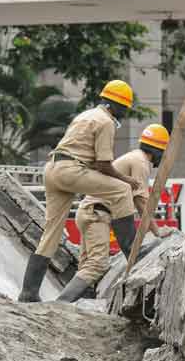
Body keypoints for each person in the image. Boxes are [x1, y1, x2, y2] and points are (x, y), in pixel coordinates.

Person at [18, 81, 138, 303]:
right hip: (70, 171)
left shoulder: (86, 115)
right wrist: (127, 180)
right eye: (125, 109)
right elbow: (103, 165)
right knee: (121, 190)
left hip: (53, 170)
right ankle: (131, 247)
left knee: (51, 234)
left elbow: (87, 158)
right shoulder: (106, 122)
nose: (125, 114)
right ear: (117, 106)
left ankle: (28, 293)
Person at [56, 124, 175, 303]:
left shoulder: (133, 157)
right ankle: (61, 304)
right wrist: (158, 232)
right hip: (96, 214)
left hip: (89, 211)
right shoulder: (141, 163)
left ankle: (75, 308)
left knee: (87, 266)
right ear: (158, 151)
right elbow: (141, 201)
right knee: (97, 265)